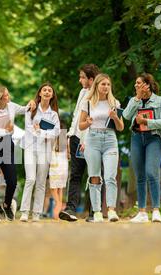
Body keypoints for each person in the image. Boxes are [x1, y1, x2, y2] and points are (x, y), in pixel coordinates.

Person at [122, 73, 161, 223]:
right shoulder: (134, 100)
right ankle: (142, 212)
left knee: (151, 172)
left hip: (154, 138)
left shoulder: (160, 101)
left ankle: (156, 210)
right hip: (137, 138)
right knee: (140, 175)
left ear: (147, 85)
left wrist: (146, 121)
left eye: (138, 83)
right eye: (135, 83)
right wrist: (136, 98)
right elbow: (126, 116)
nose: (136, 85)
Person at [78, 73, 124, 223]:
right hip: (93, 140)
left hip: (110, 139)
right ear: (97, 86)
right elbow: (80, 125)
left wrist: (115, 117)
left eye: (108, 84)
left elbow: (121, 127)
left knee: (111, 177)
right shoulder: (88, 102)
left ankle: (111, 210)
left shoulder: (114, 103)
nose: (106, 87)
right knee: (94, 177)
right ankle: (97, 211)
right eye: (103, 84)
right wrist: (88, 122)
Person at [0, 85, 30, 222]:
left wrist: (32, 103)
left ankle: (7, 205)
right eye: (6, 95)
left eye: (8, 95)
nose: (8, 97)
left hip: (7, 145)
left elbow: (25, 109)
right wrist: (6, 131)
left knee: (12, 181)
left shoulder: (11, 106)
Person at [59, 64, 100, 222]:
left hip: (92, 139)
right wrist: (70, 136)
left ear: (91, 79)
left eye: (82, 77)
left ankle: (94, 212)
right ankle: (70, 209)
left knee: (94, 175)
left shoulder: (99, 95)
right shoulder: (82, 92)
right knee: (75, 175)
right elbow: (77, 116)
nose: (80, 80)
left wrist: (86, 139)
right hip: (76, 137)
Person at [19, 82, 60, 222]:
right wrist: (43, 132)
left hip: (45, 150)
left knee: (41, 182)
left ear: (52, 95)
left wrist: (40, 132)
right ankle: (25, 211)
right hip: (30, 148)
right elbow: (28, 127)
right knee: (30, 179)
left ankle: (36, 213)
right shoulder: (31, 109)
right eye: (45, 90)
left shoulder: (53, 114)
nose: (47, 92)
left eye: (50, 90)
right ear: (40, 93)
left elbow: (56, 132)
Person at [49, 123, 69, 219]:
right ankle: (59, 207)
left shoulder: (53, 138)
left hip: (55, 165)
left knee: (53, 188)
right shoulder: (66, 139)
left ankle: (58, 204)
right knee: (60, 188)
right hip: (63, 166)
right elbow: (68, 155)